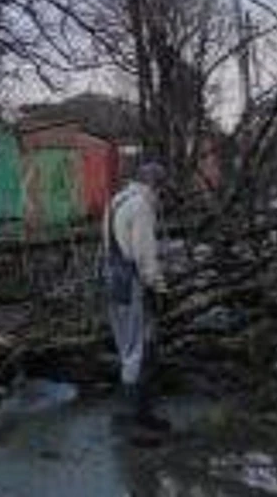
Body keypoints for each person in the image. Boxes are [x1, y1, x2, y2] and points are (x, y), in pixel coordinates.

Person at [102, 161, 170, 436]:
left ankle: (130, 412)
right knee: (139, 349)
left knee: (126, 347)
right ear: (154, 184)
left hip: (110, 278)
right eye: (161, 188)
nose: (161, 195)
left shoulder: (117, 200)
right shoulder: (141, 206)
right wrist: (159, 287)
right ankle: (140, 418)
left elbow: (108, 245)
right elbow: (145, 256)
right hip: (131, 283)